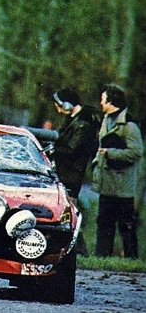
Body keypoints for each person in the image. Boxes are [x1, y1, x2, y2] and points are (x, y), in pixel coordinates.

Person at [92, 84, 144, 258]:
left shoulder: (129, 125)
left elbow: (136, 152)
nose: (101, 103)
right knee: (104, 223)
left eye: (103, 99)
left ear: (111, 101)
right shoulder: (106, 120)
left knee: (125, 226)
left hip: (123, 187)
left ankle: (131, 258)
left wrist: (111, 153)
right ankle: (101, 257)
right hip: (106, 184)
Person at [51, 87, 100, 256]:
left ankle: (79, 251)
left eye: (59, 105)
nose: (58, 110)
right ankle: (78, 250)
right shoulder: (74, 121)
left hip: (71, 175)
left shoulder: (82, 125)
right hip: (68, 173)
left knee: (69, 215)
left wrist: (53, 150)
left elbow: (72, 150)